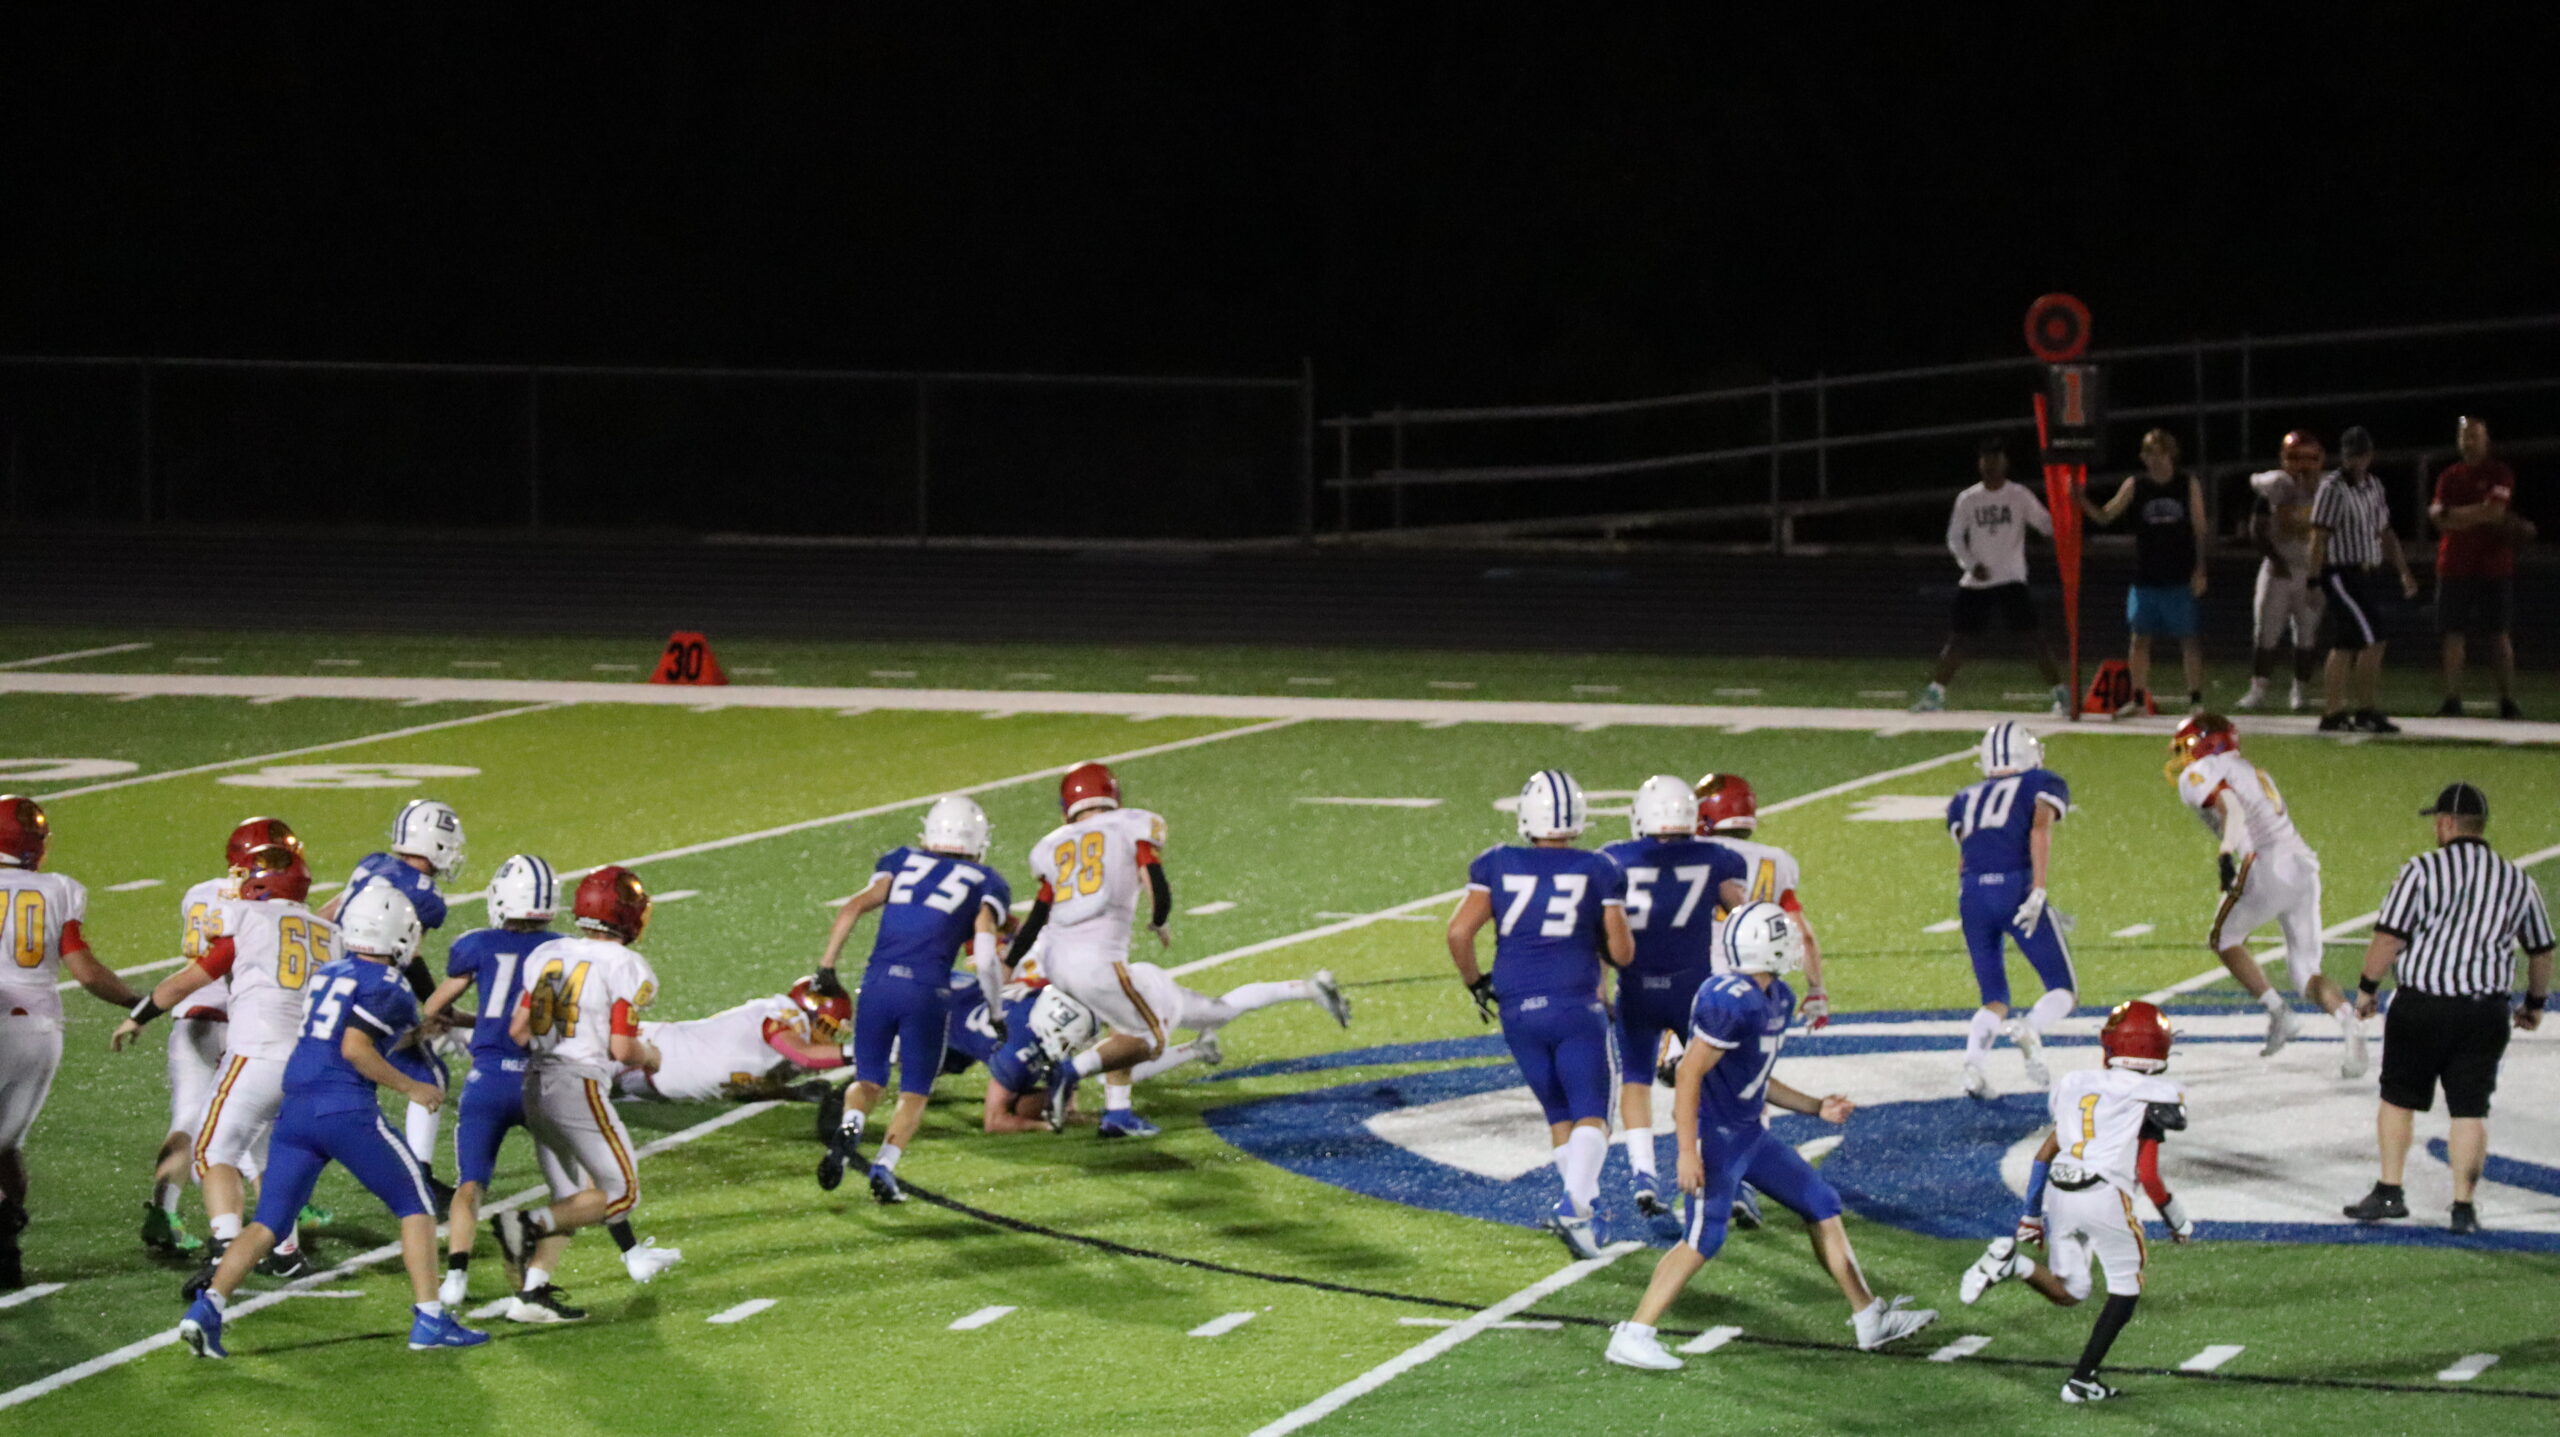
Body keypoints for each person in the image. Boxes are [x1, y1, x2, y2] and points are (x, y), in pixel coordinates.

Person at [1603, 904, 1936, 1371]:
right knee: (1703, 1237)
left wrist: (1815, 1106)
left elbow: (1756, 1077)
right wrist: (1686, 1152)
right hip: (1717, 1138)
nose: (1794, 943)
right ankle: (1634, 1334)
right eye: (1785, 936)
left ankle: (1868, 1317)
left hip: (1749, 1134)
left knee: (1820, 1202)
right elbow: (1690, 1074)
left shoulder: (1776, 995)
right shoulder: (1729, 1000)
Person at [175, 885, 490, 1357]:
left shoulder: (329, 972)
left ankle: (208, 1308)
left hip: (296, 1109)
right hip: (344, 1109)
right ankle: (430, 1319)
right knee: (416, 1203)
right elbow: (355, 1048)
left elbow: (347, 1035)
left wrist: (416, 1033)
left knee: (268, 1222)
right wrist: (412, 1087)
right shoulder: (390, 985)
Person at [116, 843, 333, 1289]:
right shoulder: (330, 933)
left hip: (257, 1052)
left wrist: (139, 1015)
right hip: (312, 1060)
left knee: (212, 1151)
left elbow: (190, 979)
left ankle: (225, 1251)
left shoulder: (249, 918)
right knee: (269, 1153)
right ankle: (286, 1252)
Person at [1957, 1001, 2195, 1405]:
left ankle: (2012, 1263)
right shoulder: (2160, 1092)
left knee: (2072, 1291)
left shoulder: (2075, 1083)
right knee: (2126, 1289)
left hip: (2061, 1191)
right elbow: (2150, 1176)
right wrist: (2178, 1221)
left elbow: (2044, 1154)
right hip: (2104, 1195)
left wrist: (2031, 1215)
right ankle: (2082, 1380)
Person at [2344, 783, 2553, 1235]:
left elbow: (2389, 936)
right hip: (2484, 1011)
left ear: (2445, 824)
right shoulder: (2516, 880)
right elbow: (2541, 948)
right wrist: (2535, 1003)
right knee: (2470, 1110)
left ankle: (2390, 1190)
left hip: (2422, 1005)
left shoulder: (2421, 871)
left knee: (2398, 1099)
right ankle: (2462, 1206)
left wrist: (2367, 988)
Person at [1447, 769, 1633, 1258]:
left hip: (1517, 1007)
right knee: (1593, 1112)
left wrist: (1476, 982)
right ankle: (1576, 1206)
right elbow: (1622, 953)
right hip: (1574, 1002)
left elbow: (1458, 933)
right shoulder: (1599, 868)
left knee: (1558, 1113)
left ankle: (1583, 1216)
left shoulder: (1496, 862)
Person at [489, 865, 684, 1298]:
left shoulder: (549, 953)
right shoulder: (625, 964)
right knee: (623, 1193)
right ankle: (525, 1224)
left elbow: (518, 1031)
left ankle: (533, 1291)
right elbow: (623, 1049)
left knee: (574, 1198)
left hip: (535, 1082)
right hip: (577, 1085)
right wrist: (652, 1056)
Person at [812, 796, 1012, 1203]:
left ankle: (853, 1121)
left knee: (868, 1080)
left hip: (878, 983)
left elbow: (854, 907)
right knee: (914, 1092)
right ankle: (884, 1166)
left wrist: (827, 967)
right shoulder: (985, 880)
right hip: (927, 991)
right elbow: (986, 956)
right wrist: (995, 1011)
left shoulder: (902, 860)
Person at [420, 853, 582, 1322]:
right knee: (572, 1192)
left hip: (487, 1080)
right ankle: (535, 1284)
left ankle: (455, 1276)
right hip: (540, 1083)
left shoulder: (476, 944)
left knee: (471, 1184)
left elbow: (433, 1008)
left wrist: (470, 1022)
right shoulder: (565, 950)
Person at [2166, 715, 2366, 1076]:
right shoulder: (2251, 770)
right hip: (2303, 866)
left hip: (2266, 863)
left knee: (2223, 938)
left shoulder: (2201, 771)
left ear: (2209, 742)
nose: (2183, 756)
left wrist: (2226, 852)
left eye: (2188, 745)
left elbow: (2233, 809)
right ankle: (2347, 1020)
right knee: (2306, 972)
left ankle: (2278, 1012)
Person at [0, 795, 143, 1289]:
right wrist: (137, 1003)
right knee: (6, 1146)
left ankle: (4, 1223)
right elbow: (84, 971)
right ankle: (7, 1247)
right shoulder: (59, 888)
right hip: (40, 1034)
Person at [141, 817, 301, 1256]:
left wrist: (141, 1013)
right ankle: (281, 1231)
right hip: (242, 1020)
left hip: (190, 1015)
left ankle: (163, 1211)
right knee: (261, 1127)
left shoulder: (198, 893)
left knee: (189, 1119)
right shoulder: (261, 903)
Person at [1599, 777, 1745, 1220]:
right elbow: (1743, 915)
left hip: (1636, 985)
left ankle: (1644, 1174)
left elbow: (1599, 929)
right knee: (1713, 1082)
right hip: (1691, 987)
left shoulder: (1614, 858)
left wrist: (1598, 984)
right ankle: (1729, 1179)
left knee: (1636, 1078)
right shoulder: (1715, 857)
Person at [324, 798, 467, 1202]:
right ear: (437, 844)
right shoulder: (424, 895)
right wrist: (434, 1005)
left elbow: (327, 915)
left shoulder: (372, 863)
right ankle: (418, 1176)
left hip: (327, 981)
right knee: (426, 1073)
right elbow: (409, 953)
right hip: (367, 989)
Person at [1947, 722, 2075, 1097]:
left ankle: (1973, 1067)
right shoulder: (2040, 782)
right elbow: (2039, 830)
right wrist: (2038, 888)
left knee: (1994, 996)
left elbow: (1966, 856)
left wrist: (1975, 898)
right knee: (2062, 988)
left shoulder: (1964, 798)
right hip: (2016, 886)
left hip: (1972, 893)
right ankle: (2031, 1026)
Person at [1915, 437, 2070, 715]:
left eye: (1996, 459)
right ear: (1980, 464)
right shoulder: (1968, 499)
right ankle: (1934, 695)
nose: (1991, 465)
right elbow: (1954, 537)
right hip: (1977, 582)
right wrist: (1971, 564)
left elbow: (2046, 525)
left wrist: (2067, 512)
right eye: (1986, 460)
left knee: (2034, 639)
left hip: (2011, 579)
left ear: (2005, 463)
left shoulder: (2019, 495)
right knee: (1959, 640)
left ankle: (2061, 694)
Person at [2077, 429, 2207, 715]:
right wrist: (2080, 499)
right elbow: (2106, 515)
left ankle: (2196, 700)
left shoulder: (2187, 483)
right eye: (2149, 453)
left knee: (2188, 638)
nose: (2154, 459)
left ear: (2171, 454)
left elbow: (2199, 527)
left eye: (2159, 453)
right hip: (2146, 575)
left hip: (2179, 574)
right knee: (2139, 638)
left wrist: (2200, 568)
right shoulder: (2135, 485)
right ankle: (2137, 700)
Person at [2309, 426, 2420, 733]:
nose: (2355, 462)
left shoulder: (2373, 486)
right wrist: (2312, 580)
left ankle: (2335, 712)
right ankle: (2364, 709)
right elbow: (2319, 536)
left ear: (2369, 455)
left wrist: (2403, 570)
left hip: (2366, 572)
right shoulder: (2332, 487)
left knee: (2348, 642)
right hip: (2340, 573)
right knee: (2374, 638)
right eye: (2351, 456)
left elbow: (2385, 532)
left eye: (2360, 455)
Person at [1695, 774, 1831, 1022]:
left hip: (1699, 981)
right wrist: (1816, 990)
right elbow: (1803, 935)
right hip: (1756, 984)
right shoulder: (1777, 861)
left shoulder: (1692, 854)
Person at [2430, 416, 2532, 719]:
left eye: (2474, 436)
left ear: (2487, 440)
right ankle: (2452, 699)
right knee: (2452, 633)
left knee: (2498, 634)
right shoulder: (2449, 476)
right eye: (2464, 436)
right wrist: (2478, 514)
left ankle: (2508, 700)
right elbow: (2439, 518)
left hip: (2493, 565)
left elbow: (2494, 512)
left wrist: (2455, 516)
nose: (2469, 442)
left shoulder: (2499, 472)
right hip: (2454, 565)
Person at [2238, 431, 2326, 711]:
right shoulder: (2276, 485)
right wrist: (2275, 559)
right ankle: (2258, 691)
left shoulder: (2327, 491)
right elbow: (2257, 528)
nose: (2302, 465)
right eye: (2295, 457)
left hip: (2311, 570)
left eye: (2309, 458)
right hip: (2279, 570)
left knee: (2307, 635)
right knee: (2266, 632)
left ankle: (2300, 692)